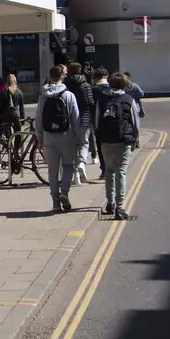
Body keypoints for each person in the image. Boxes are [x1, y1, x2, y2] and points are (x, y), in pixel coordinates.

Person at [36, 65, 82, 212]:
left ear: (50, 77)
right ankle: (65, 192)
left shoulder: (43, 95)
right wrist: (79, 139)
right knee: (68, 166)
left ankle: (56, 202)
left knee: (52, 171)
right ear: (62, 77)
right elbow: (76, 119)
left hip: (49, 137)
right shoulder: (69, 95)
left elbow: (39, 118)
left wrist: (40, 138)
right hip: (67, 136)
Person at [94, 73, 138, 221]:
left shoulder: (102, 99)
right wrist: (134, 140)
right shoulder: (128, 100)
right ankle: (120, 206)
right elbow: (135, 122)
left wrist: (98, 139)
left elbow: (97, 121)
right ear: (125, 85)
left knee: (109, 172)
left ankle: (110, 203)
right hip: (123, 140)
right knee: (121, 172)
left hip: (106, 141)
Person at [63, 63, 95, 182]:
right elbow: (90, 103)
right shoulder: (85, 85)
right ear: (80, 70)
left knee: (71, 147)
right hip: (84, 119)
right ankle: (81, 163)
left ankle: (75, 175)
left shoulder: (65, 85)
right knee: (84, 143)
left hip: (68, 120)